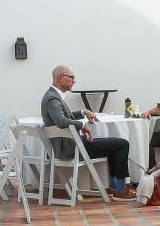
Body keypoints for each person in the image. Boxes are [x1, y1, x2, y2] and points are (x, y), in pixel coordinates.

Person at [42, 65, 133, 201]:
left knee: (116, 143)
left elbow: (64, 116)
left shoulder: (52, 96)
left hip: (68, 145)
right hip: (71, 148)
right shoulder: (52, 99)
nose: (74, 81)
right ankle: (119, 190)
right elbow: (61, 121)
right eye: (72, 77)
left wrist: (83, 112)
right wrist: (82, 125)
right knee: (121, 144)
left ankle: (117, 188)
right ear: (61, 78)